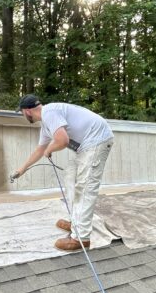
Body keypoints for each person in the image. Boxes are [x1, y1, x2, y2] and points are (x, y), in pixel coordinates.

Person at [13, 94, 114, 251]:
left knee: (85, 188)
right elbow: (40, 150)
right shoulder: (46, 123)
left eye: (21, 113)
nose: (23, 115)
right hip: (86, 147)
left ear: (27, 111)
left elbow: (62, 140)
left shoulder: (49, 113)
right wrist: (22, 169)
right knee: (70, 179)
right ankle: (76, 222)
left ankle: (81, 238)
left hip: (97, 141)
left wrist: (50, 149)